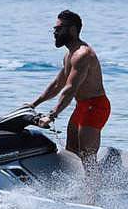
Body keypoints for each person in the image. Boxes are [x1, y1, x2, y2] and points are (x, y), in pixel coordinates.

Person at [29, 9, 108, 164]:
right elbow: (58, 84)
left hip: (96, 106)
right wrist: (33, 104)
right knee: (71, 151)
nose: (55, 33)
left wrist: (52, 115)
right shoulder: (70, 55)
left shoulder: (82, 54)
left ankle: (95, 188)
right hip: (83, 106)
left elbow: (70, 89)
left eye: (58, 29)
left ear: (71, 29)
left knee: (87, 156)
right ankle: (74, 186)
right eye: (54, 29)